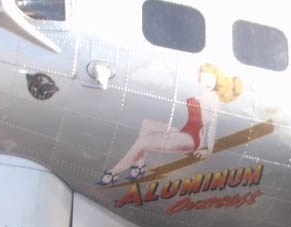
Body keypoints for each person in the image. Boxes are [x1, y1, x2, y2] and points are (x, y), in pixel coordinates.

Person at [98, 63, 244, 184]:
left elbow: (211, 128)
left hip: (192, 140)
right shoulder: (200, 95)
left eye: (211, 78)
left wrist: (207, 150)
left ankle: (112, 173)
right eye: (205, 77)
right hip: (184, 132)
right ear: (200, 79)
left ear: (216, 80)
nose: (207, 81)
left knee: (144, 141)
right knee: (146, 124)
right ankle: (139, 165)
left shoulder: (212, 99)